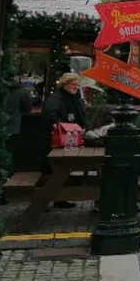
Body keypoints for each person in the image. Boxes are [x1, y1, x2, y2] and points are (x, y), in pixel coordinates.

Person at [41, 73, 87, 208]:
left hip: (71, 138)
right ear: (64, 84)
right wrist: (59, 125)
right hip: (57, 140)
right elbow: (50, 115)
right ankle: (46, 201)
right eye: (73, 84)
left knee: (64, 167)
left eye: (77, 85)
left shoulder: (75, 98)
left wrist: (84, 127)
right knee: (55, 169)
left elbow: (82, 117)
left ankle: (59, 199)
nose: (76, 87)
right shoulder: (56, 98)